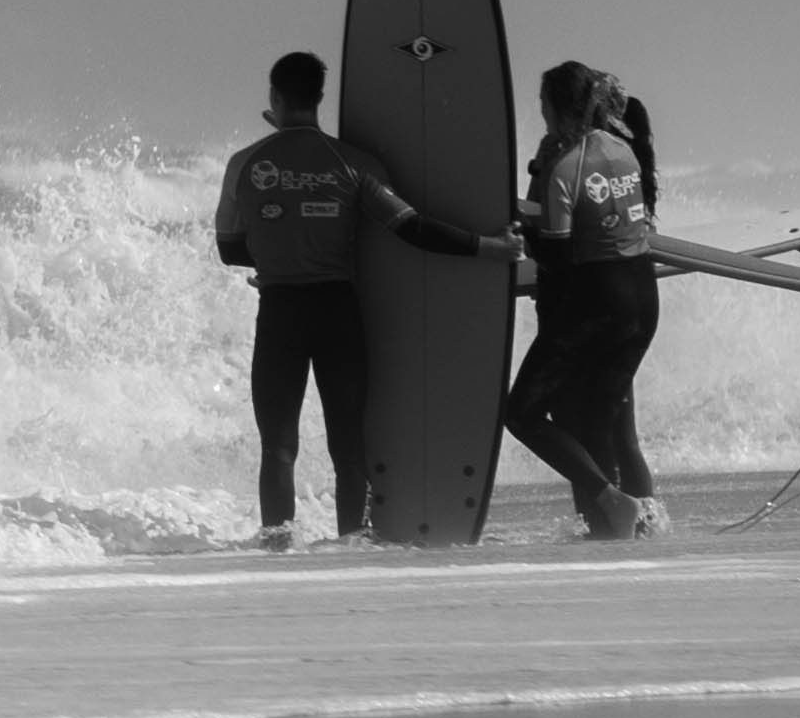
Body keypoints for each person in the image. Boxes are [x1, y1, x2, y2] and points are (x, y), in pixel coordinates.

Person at [215, 48, 448, 545]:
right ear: (320, 98)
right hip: (339, 311)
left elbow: (230, 250)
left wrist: (277, 258)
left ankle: (278, 543)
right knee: (349, 442)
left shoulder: (245, 164)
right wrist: (489, 246)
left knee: (278, 446)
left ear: (275, 97)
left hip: (280, 313)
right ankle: (353, 540)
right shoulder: (354, 162)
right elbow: (412, 228)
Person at [498, 60, 667, 539]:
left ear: (555, 107)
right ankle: (644, 525)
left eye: (542, 104)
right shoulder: (625, 150)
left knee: (522, 413)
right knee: (611, 422)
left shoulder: (567, 166)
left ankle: (609, 505)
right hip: (642, 297)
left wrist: (517, 224)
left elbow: (555, 253)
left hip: (595, 304)